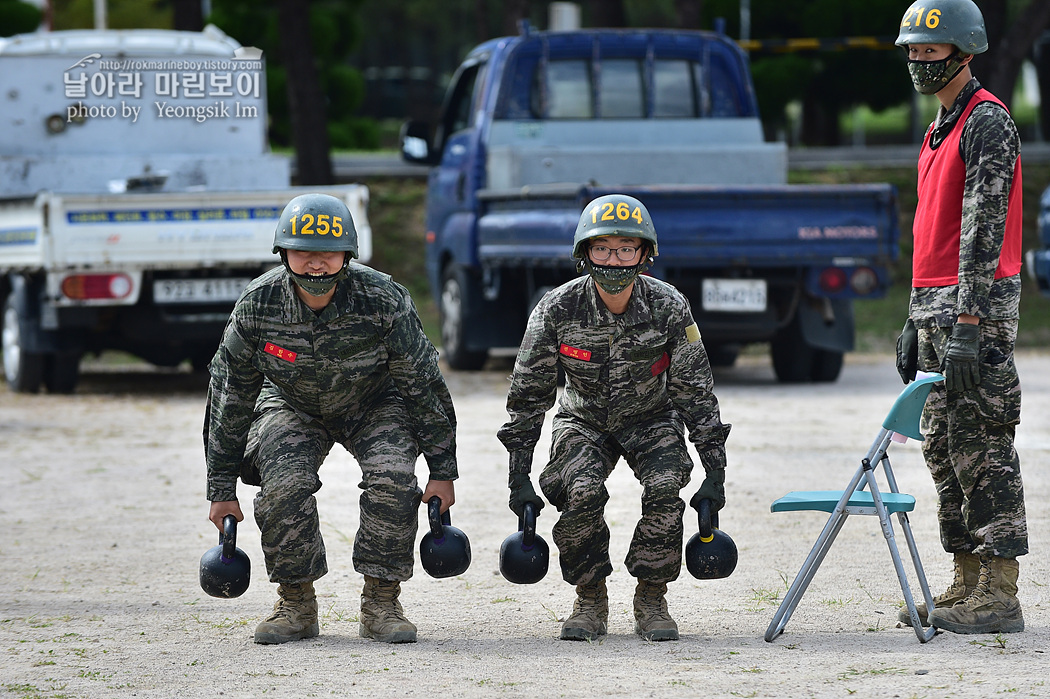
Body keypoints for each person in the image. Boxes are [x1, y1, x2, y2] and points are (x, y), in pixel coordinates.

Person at [204, 193, 458, 645]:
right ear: (284, 254)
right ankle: (296, 603)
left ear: (348, 254)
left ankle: (382, 601)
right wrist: (221, 488)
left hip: (376, 401)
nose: (316, 266)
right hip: (291, 403)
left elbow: (423, 381)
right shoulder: (258, 305)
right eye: (303, 253)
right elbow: (231, 394)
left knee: (394, 478)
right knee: (284, 484)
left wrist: (442, 470)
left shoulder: (382, 298)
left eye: (327, 254)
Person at [497, 193, 731, 642]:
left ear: (644, 254)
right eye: (602, 248)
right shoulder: (557, 309)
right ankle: (589, 598)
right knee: (580, 488)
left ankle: (651, 596)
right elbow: (528, 398)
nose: (614, 259)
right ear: (585, 253)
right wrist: (519, 478)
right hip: (583, 421)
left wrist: (715, 472)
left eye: (626, 248)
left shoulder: (669, 306)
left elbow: (696, 392)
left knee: (666, 483)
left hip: (652, 418)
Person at [893, 0, 1027, 634]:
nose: (920, 61)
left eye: (932, 50)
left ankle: (1001, 592)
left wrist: (970, 323)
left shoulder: (986, 122)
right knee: (945, 448)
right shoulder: (940, 126)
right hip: (934, 309)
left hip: (975, 310)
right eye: (914, 51)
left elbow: (982, 229)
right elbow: (929, 235)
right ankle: (967, 579)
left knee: (984, 443)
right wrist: (913, 318)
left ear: (964, 53)